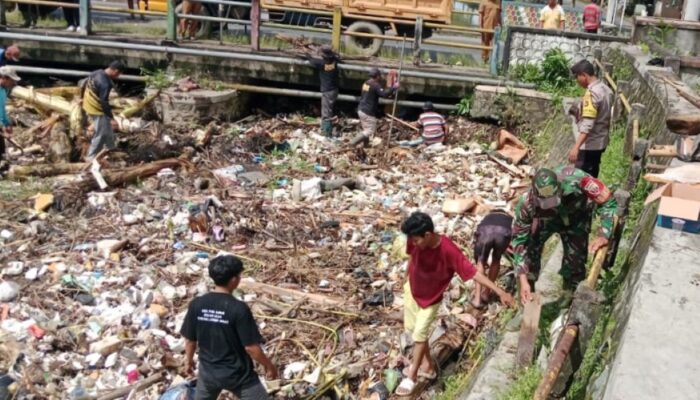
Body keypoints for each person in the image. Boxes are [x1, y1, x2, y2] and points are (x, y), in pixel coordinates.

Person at [396, 212, 514, 396]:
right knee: (415, 331)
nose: (413, 243)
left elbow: (474, 273)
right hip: (412, 290)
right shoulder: (415, 238)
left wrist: (500, 292)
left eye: (416, 240)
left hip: (430, 299)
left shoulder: (448, 250)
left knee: (419, 333)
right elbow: (412, 257)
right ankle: (427, 366)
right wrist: (405, 279)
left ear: (427, 235)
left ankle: (411, 377)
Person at [511, 167, 617, 305]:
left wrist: (604, 233)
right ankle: (526, 303)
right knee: (529, 256)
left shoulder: (579, 180)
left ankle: (571, 299)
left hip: (576, 218)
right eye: (545, 203)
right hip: (546, 222)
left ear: (559, 188)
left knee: (575, 261)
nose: (550, 206)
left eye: (553, 201)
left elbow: (608, 202)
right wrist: (523, 278)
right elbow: (519, 241)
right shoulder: (526, 203)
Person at [181, 254, 278, 400]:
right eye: (239, 276)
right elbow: (251, 348)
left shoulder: (197, 304)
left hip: (208, 374)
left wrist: (188, 362)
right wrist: (269, 365)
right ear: (234, 280)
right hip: (239, 376)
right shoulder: (238, 309)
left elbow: (190, 341)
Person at [568, 59, 613, 178]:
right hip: (600, 142)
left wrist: (575, 147)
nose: (577, 81)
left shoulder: (592, 94)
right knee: (592, 178)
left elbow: (587, 125)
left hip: (589, 145)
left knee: (580, 181)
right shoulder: (606, 89)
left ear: (584, 75)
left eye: (577, 77)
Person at [82, 61, 124, 160]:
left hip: (88, 103)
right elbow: (104, 102)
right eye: (118, 74)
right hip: (97, 109)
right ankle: (91, 157)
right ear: (115, 71)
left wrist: (81, 98)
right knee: (100, 134)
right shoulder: (105, 83)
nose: (118, 76)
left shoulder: (96, 72)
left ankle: (111, 148)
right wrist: (111, 117)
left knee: (107, 128)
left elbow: (84, 84)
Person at [471, 209, 513, 309]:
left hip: (486, 231)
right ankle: (486, 294)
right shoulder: (508, 218)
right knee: (496, 260)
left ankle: (477, 300)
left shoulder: (488, 217)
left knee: (481, 262)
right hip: (503, 232)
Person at [351, 67, 397, 146]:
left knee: (366, 129)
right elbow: (384, 94)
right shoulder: (375, 85)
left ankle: (366, 145)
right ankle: (353, 142)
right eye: (380, 75)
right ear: (377, 76)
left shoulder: (366, 83)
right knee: (370, 130)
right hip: (368, 111)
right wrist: (393, 88)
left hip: (361, 109)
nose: (381, 77)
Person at [306, 45, 340, 137]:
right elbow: (336, 56)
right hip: (334, 89)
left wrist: (307, 53)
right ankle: (328, 129)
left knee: (326, 112)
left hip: (327, 90)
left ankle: (326, 132)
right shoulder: (334, 61)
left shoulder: (321, 64)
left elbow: (311, 61)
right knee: (329, 110)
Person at [0, 67, 20, 171]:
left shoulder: (3, 90)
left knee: (2, 150)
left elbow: (2, 109)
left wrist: (7, 123)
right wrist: (2, 128)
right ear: (5, 78)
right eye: (12, 81)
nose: (13, 84)